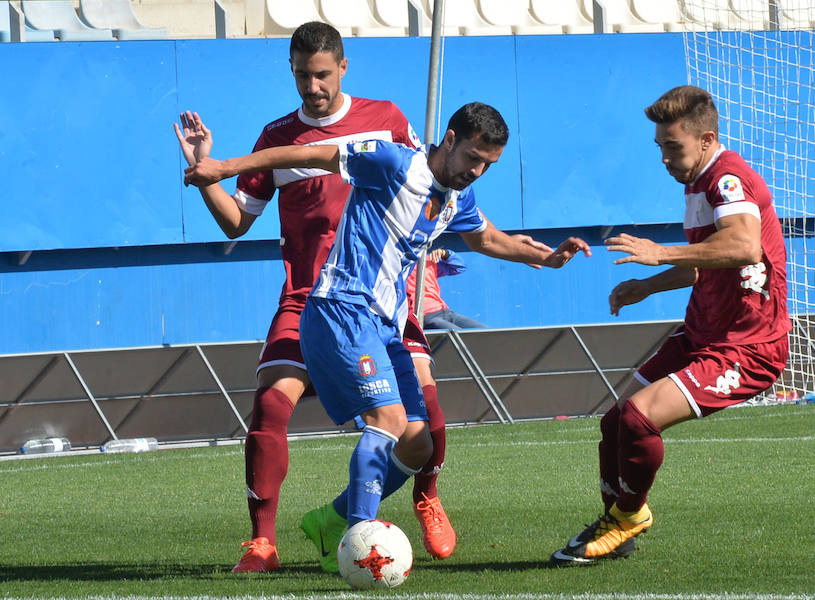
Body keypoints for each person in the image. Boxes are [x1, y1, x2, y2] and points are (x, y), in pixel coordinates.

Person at [184, 101, 591, 566]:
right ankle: (361, 546)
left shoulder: (458, 196)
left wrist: (547, 258)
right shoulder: (390, 159)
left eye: (488, 165)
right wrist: (221, 168)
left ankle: (330, 521)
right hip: (342, 308)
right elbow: (308, 154)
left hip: (385, 323)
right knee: (387, 422)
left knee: (418, 442)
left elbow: (488, 239)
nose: (477, 170)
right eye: (473, 157)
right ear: (451, 139)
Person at [173, 21, 456, 572]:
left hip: (377, 302)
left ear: (343, 68)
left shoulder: (388, 121)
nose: (313, 86)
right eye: (302, 75)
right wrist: (205, 171)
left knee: (427, 415)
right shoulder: (276, 137)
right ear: (292, 71)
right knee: (269, 406)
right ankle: (262, 543)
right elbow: (236, 223)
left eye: (322, 74)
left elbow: (427, 189)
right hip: (306, 298)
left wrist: (428, 271)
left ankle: (425, 494)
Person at [550, 85, 791, 566]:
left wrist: (659, 250)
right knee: (617, 422)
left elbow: (743, 246)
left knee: (640, 418)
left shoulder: (727, 180)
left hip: (747, 347)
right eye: (658, 146)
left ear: (705, 139)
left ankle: (628, 517)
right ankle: (617, 527)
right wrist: (649, 285)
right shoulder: (699, 183)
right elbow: (707, 260)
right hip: (704, 332)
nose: (663, 157)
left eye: (672, 146)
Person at [407, 247, 487, 330]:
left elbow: (459, 267)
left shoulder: (427, 260)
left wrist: (445, 254)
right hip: (425, 316)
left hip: (445, 311)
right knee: (461, 337)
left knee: (485, 332)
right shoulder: (398, 267)